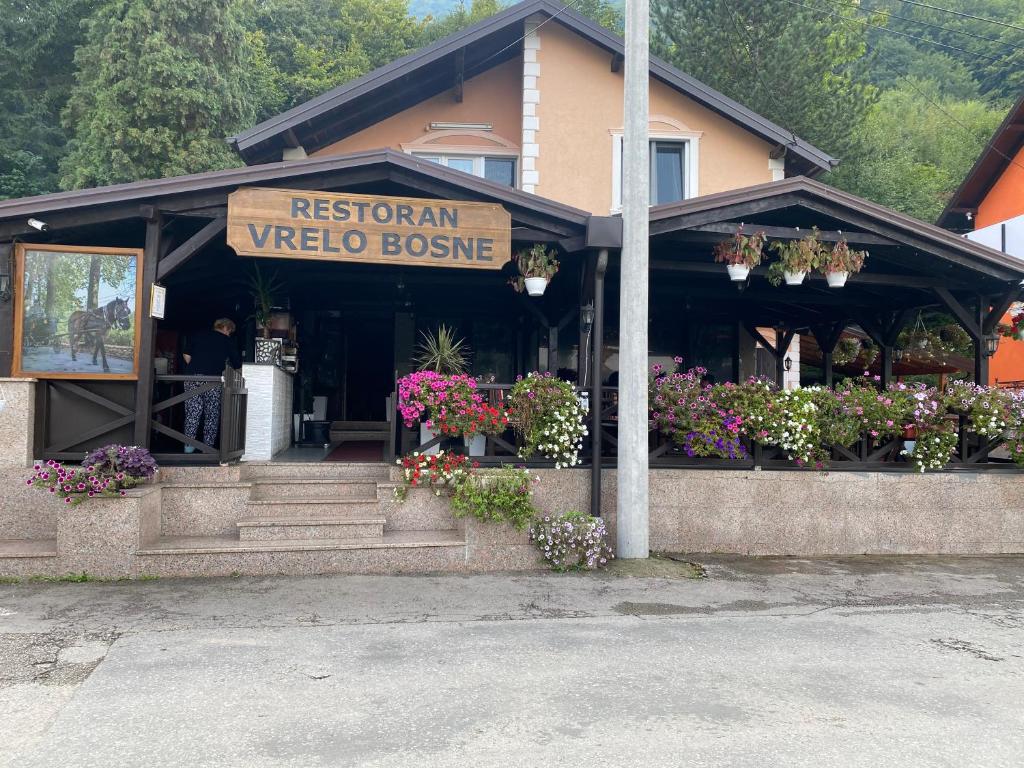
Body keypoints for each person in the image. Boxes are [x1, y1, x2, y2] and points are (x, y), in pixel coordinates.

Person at [181, 318, 241, 452]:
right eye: (230, 331)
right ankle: (208, 448)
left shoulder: (199, 335)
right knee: (212, 414)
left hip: (192, 378)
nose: (229, 334)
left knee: (192, 412)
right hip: (213, 380)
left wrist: (197, 366)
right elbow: (237, 364)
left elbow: (186, 354)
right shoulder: (227, 341)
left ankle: (188, 447)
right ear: (226, 328)